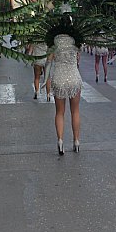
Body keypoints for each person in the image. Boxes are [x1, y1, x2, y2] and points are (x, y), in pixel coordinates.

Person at [45, 19, 82, 155]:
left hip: (58, 77)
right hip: (74, 77)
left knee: (59, 112)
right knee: (75, 111)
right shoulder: (75, 39)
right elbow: (78, 58)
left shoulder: (54, 41)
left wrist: (45, 80)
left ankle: (60, 140)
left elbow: (48, 62)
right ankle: (76, 141)